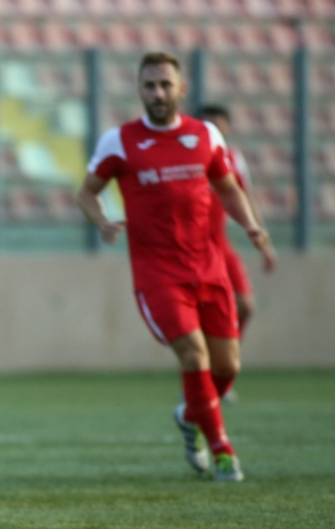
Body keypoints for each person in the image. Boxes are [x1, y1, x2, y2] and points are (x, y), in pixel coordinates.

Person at [75, 52, 274, 482]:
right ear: (139, 90)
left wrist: (253, 226)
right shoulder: (120, 141)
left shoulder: (206, 135)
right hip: (158, 274)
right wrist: (103, 221)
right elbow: (87, 192)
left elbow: (228, 187)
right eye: (150, 85)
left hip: (209, 268)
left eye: (165, 85)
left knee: (227, 367)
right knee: (194, 353)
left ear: (181, 90)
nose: (158, 93)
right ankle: (223, 450)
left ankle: (189, 414)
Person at [198, 104, 276, 348]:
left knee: (245, 305)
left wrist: (264, 244)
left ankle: (223, 363)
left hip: (219, 243)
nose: (212, 128)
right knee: (197, 315)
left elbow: (246, 198)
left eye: (217, 123)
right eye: (206, 123)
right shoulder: (188, 157)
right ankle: (201, 374)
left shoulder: (233, 159)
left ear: (227, 128)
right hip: (191, 246)